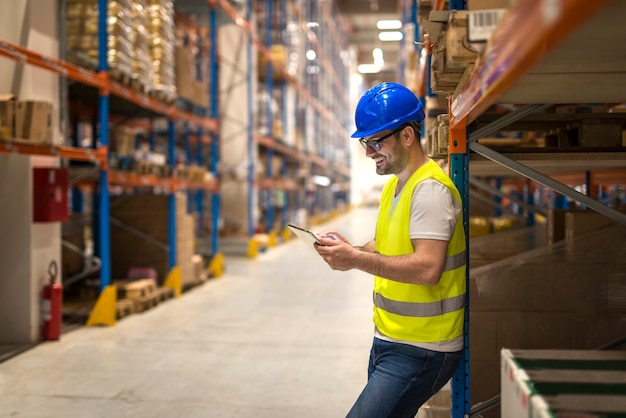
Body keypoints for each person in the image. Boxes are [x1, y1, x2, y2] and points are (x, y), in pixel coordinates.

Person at [315, 82, 467, 418]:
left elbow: (428, 268)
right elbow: (382, 246)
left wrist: (356, 260)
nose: (369, 151)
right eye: (366, 143)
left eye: (375, 142)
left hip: (424, 347)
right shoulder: (397, 187)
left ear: (407, 136)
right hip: (391, 338)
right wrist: (349, 249)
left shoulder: (429, 190)